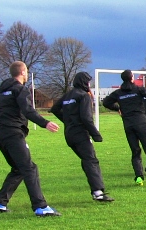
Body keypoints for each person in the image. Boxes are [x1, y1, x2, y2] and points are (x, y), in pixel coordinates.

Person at [0, 61, 61, 216]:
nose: (27, 74)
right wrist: (45, 123)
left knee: (18, 168)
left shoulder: (2, 92)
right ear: (22, 72)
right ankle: (40, 207)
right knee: (29, 168)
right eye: (26, 71)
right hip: (12, 134)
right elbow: (28, 110)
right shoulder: (20, 89)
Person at [50, 72, 114, 202]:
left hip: (69, 134)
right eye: (88, 82)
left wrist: (68, 121)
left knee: (87, 160)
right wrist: (96, 135)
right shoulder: (83, 96)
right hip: (80, 133)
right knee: (91, 161)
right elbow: (86, 118)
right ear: (84, 82)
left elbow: (55, 109)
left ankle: (96, 191)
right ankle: (98, 193)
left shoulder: (68, 95)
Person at [103, 70, 146, 186]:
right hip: (141, 124)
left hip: (128, 125)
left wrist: (117, 108)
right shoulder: (139, 89)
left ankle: (139, 177)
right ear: (132, 78)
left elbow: (106, 102)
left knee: (135, 150)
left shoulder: (118, 93)